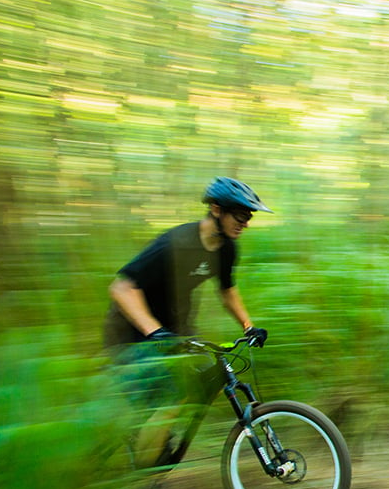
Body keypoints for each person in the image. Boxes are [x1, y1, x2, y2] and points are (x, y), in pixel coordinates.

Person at [104, 177, 272, 467]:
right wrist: (154, 332)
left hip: (175, 328)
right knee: (173, 395)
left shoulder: (227, 248)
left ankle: (155, 440)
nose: (246, 223)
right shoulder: (175, 243)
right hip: (131, 330)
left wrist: (248, 326)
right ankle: (148, 477)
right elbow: (121, 288)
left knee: (204, 375)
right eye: (241, 215)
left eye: (250, 217)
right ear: (217, 210)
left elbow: (227, 290)